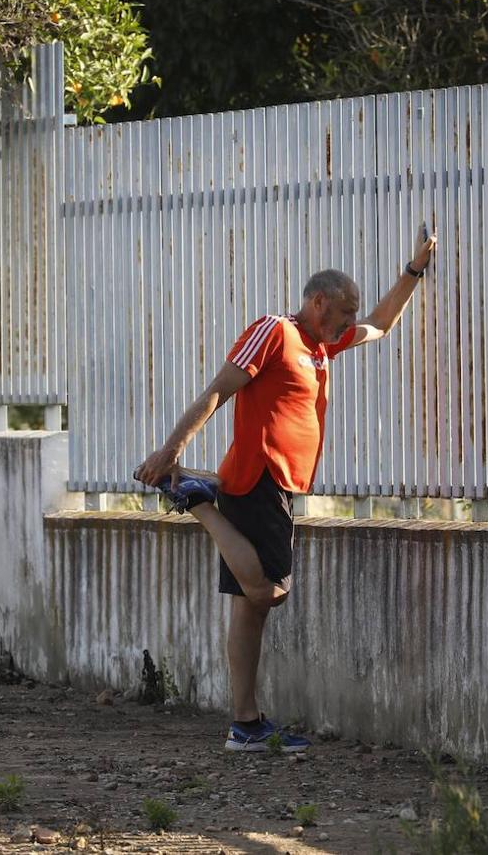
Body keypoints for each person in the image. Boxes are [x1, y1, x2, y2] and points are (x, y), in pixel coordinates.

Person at [133, 224, 437, 753]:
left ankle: (244, 724)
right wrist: (171, 451)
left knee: (247, 609)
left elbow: (382, 326)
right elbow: (217, 392)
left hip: (278, 484)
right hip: (260, 477)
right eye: (344, 309)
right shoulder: (276, 332)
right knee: (267, 592)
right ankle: (201, 502)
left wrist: (414, 270)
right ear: (318, 301)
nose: (349, 319)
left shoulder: (324, 346)